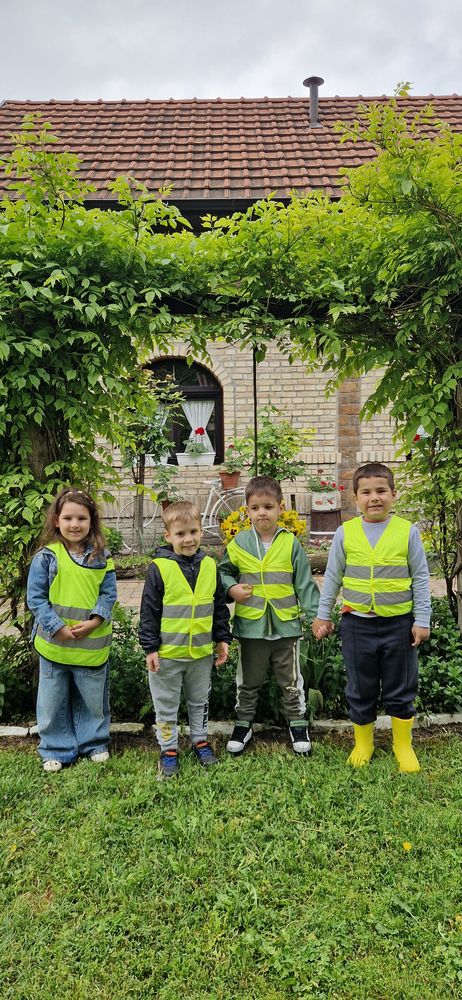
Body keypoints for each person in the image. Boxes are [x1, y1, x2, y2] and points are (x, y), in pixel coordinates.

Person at [311, 462, 431, 773]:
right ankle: (363, 744)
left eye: (381, 490)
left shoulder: (407, 532)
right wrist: (323, 616)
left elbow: (420, 577)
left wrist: (422, 619)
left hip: (399, 625)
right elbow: (333, 577)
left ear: (394, 494)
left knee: (401, 686)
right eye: (366, 492)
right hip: (357, 625)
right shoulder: (345, 533)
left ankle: (402, 745)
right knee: (360, 687)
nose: (374, 497)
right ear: (355, 498)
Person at [219, 475, 320, 756]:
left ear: (280, 508)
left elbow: (304, 583)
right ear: (247, 511)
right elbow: (223, 572)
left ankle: (297, 723)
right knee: (248, 682)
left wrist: (316, 616)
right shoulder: (239, 542)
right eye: (255, 508)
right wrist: (232, 589)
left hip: (286, 627)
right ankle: (243, 724)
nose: (261, 513)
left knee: (291, 681)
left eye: (268, 507)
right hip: (251, 628)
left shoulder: (290, 543)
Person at [139, 500, 231, 779]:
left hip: (201, 654)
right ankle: (168, 749)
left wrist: (222, 638)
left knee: (199, 702)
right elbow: (149, 611)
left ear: (201, 532)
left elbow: (218, 606)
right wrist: (150, 648)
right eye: (180, 534)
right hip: (167, 655)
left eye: (193, 532)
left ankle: (200, 741)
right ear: (168, 536)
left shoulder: (210, 566)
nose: (188, 539)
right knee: (166, 705)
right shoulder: (159, 568)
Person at [27, 487, 117, 773]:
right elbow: (36, 598)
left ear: (92, 521)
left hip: (91, 646)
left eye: (81, 518)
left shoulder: (102, 556)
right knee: (52, 700)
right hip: (55, 645)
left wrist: (95, 621)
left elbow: (108, 594)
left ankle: (94, 742)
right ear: (56, 521)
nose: (74, 524)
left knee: (92, 699)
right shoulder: (47, 557)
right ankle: (56, 747)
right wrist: (56, 628)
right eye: (68, 518)